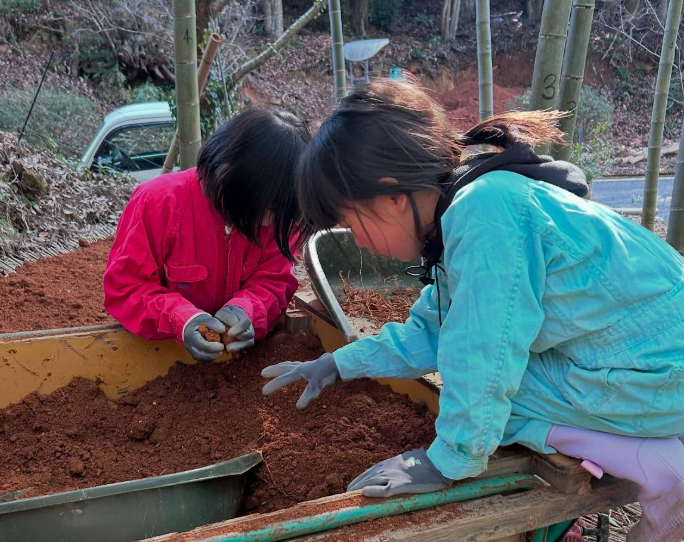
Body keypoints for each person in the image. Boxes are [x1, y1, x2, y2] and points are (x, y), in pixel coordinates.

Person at [261, 79, 684, 542]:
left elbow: (482, 352)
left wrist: (447, 461)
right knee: (481, 381)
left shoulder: (484, 213)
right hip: (646, 365)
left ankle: (658, 464)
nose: (355, 240)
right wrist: (336, 363)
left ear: (391, 197)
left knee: (496, 395)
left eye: (348, 222)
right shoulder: (470, 205)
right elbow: (433, 330)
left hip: (661, 376)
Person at [104, 108, 311, 362]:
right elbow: (126, 288)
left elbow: (274, 282)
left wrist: (247, 311)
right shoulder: (157, 203)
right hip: (160, 358)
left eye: (284, 213)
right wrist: (181, 319)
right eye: (268, 209)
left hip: (237, 364)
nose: (273, 222)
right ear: (226, 175)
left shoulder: (281, 221)